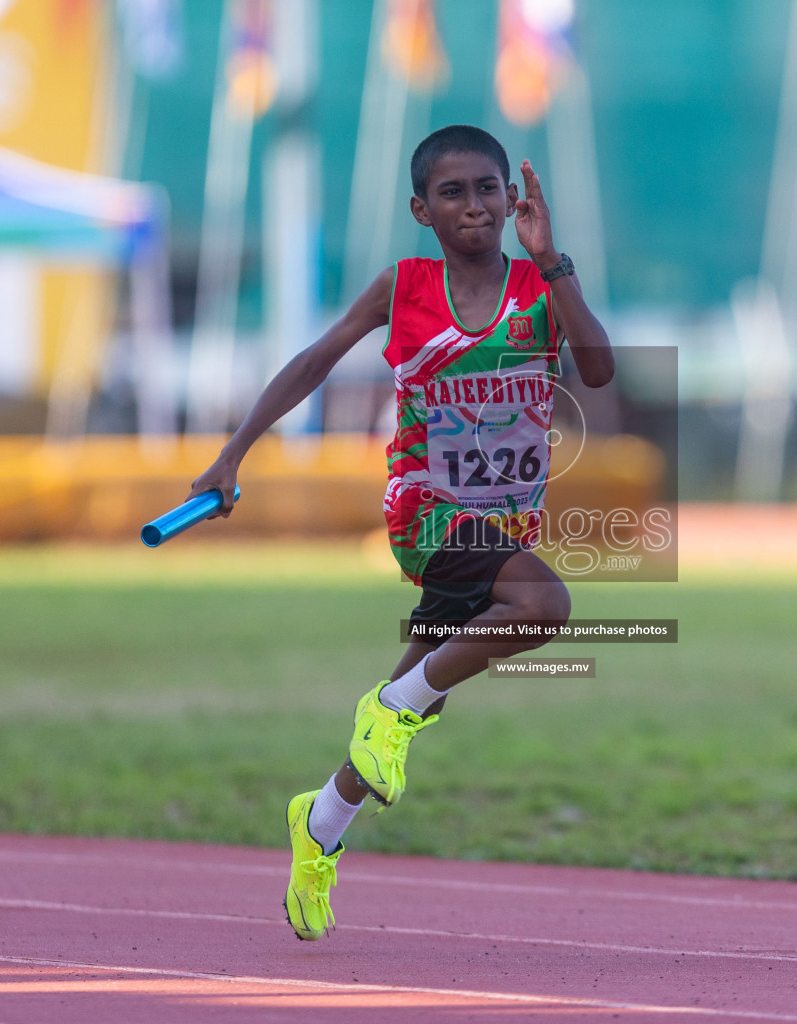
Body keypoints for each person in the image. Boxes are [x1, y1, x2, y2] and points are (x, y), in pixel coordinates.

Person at [185, 124, 614, 941]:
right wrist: (232, 453)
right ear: (422, 209)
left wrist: (553, 260)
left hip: (506, 519)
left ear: (511, 197)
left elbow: (596, 370)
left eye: (487, 189)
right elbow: (313, 361)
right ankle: (388, 711)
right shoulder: (403, 287)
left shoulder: (541, 286)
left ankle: (319, 826)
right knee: (544, 604)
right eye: (451, 193)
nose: (473, 206)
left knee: (425, 691)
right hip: (427, 508)